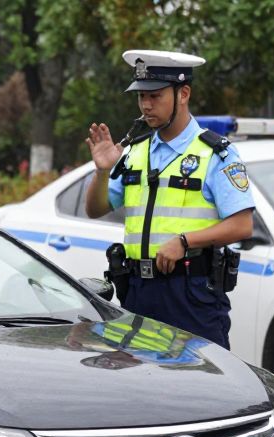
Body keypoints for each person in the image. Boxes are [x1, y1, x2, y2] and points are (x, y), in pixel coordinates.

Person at [84, 49, 255, 349]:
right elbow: (94, 209)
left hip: (190, 295)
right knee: (141, 378)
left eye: (155, 96)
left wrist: (185, 242)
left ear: (183, 94)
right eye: (141, 96)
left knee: (200, 377)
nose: (146, 105)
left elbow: (242, 225)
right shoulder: (135, 151)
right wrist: (102, 171)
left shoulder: (215, 153)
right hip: (137, 293)